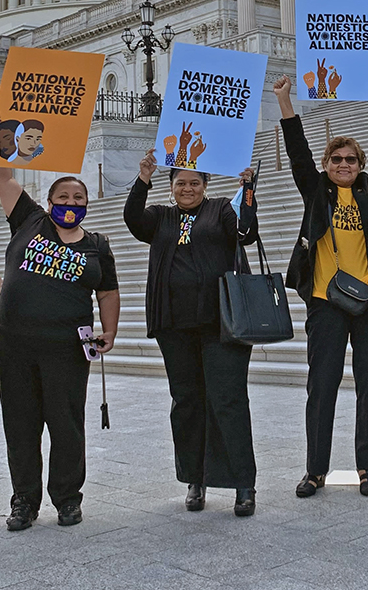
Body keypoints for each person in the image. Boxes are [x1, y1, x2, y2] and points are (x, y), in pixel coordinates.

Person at [0, 108, 120, 531]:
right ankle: (24, 500)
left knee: (66, 425)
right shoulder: (28, 220)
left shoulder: (98, 245)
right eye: (63, 197)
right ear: (49, 202)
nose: (70, 203)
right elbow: (3, 178)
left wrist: (110, 331)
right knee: (20, 426)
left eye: (78, 198)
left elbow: (108, 291)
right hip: (15, 343)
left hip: (67, 346)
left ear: (87, 204)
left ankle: (66, 498)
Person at [273, 74, 368, 498]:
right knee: (322, 384)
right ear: (327, 166)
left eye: (350, 160)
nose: (343, 165)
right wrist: (284, 101)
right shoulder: (317, 192)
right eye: (336, 159)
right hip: (325, 301)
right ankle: (315, 470)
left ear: (359, 166)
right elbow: (297, 153)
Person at [123, 153, 260, 517]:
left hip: (221, 324)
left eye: (195, 183)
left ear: (205, 186)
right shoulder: (160, 216)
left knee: (227, 400)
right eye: (181, 183)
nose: (187, 189)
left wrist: (247, 190)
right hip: (174, 324)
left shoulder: (221, 210)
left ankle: (243, 483)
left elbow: (246, 234)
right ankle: (195, 480)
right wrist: (142, 179)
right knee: (186, 402)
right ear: (171, 188)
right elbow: (133, 221)